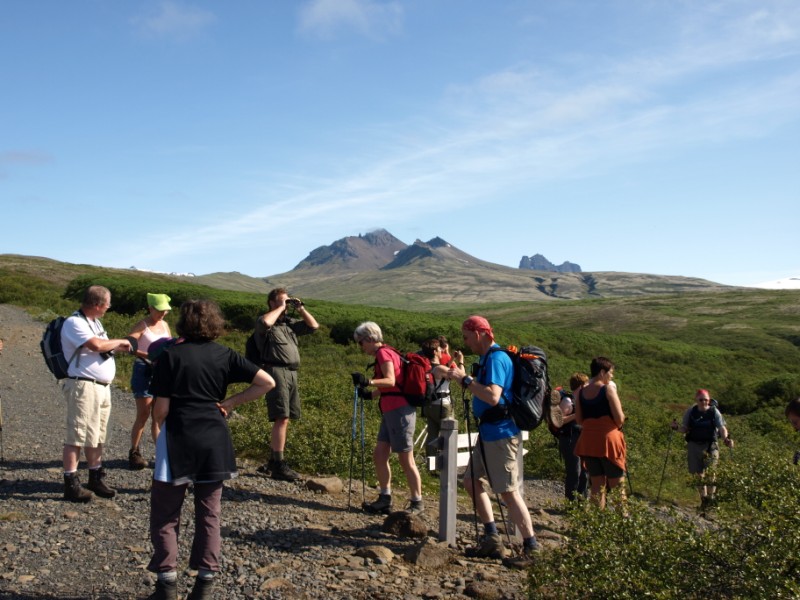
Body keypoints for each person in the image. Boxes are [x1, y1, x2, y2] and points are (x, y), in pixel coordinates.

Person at [147, 299, 274, 600]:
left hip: (178, 437)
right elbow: (267, 382)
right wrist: (230, 403)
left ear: (183, 322)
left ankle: (166, 584)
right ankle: (204, 584)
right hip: (214, 439)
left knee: (166, 513)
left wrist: (156, 431)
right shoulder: (225, 354)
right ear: (215, 322)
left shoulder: (170, 356)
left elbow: (161, 409)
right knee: (209, 513)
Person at [446, 316, 541, 569]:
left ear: (479, 334)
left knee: (508, 492)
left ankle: (532, 547)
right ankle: (491, 537)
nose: (465, 342)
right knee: (470, 481)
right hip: (488, 432)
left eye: (467, 337)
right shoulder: (487, 358)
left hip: (501, 434)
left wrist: (465, 380)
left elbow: (493, 396)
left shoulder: (497, 359)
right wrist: (463, 376)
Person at [59, 285, 133, 503]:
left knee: (97, 434)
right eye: (108, 304)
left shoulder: (94, 322)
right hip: (84, 386)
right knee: (77, 434)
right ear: (98, 304)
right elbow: (97, 345)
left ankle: (95, 477)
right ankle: (71, 484)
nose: (109, 307)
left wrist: (118, 347)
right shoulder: (75, 322)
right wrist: (120, 341)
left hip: (100, 387)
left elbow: (102, 347)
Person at [353, 321, 424, 515]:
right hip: (392, 410)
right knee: (380, 454)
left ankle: (417, 502)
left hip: (399, 412)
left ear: (369, 338)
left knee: (406, 459)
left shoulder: (383, 353)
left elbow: (391, 380)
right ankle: (385, 498)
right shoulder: (389, 352)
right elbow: (394, 385)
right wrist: (371, 394)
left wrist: (368, 381)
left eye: (361, 342)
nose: (361, 346)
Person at [252, 287, 318, 481]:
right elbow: (265, 323)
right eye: (282, 300)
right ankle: (278, 464)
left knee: (285, 418)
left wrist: (301, 309)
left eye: (287, 301)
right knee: (281, 417)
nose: (286, 304)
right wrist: (280, 307)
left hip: (291, 373)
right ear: (272, 302)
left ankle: (274, 460)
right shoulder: (265, 321)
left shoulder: (289, 324)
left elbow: (314, 326)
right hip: (275, 371)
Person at [573, 357, 626, 509]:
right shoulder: (607, 389)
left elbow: (579, 420)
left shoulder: (581, 392)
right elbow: (620, 419)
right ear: (602, 372)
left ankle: (597, 519)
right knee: (617, 486)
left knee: (596, 486)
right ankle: (623, 520)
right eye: (611, 372)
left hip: (588, 442)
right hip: (608, 442)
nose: (612, 376)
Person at [126, 293, 172, 470]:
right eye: (159, 310)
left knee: (158, 415)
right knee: (143, 413)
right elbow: (129, 344)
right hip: (144, 369)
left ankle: (161, 454)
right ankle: (134, 451)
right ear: (150, 308)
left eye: (165, 311)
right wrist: (149, 355)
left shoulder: (165, 325)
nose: (163, 314)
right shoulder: (142, 325)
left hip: (160, 371)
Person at [671, 389, 733, 512]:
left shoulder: (714, 411)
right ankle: (704, 501)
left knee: (711, 474)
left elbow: (722, 428)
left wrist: (726, 439)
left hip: (711, 445)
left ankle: (711, 500)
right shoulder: (691, 411)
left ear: (709, 400)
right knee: (697, 474)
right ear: (696, 400)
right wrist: (676, 428)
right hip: (694, 445)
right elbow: (685, 429)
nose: (704, 402)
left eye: (706, 400)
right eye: (701, 400)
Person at [550, 373, 589, 501]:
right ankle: (571, 504)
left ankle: (581, 503)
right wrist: (576, 414)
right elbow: (558, 421)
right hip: (570, 438)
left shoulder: (582, 400)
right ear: (581, 385)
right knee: (575, 472)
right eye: (586, 384)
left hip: (581, 438)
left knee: (584, 472)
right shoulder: (568, 401)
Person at [419, 338, 454, 460]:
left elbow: (446, 369)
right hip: (442, 406)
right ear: (434, 352)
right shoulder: (440, 369)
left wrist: (449, 356)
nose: (442, 350)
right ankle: (448, 464)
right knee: (448, 434)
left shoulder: (426, 366)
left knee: (432, 436)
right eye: (440, 349)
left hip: (429, 406)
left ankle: (431, 464)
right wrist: (461, 362)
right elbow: (461, 376)